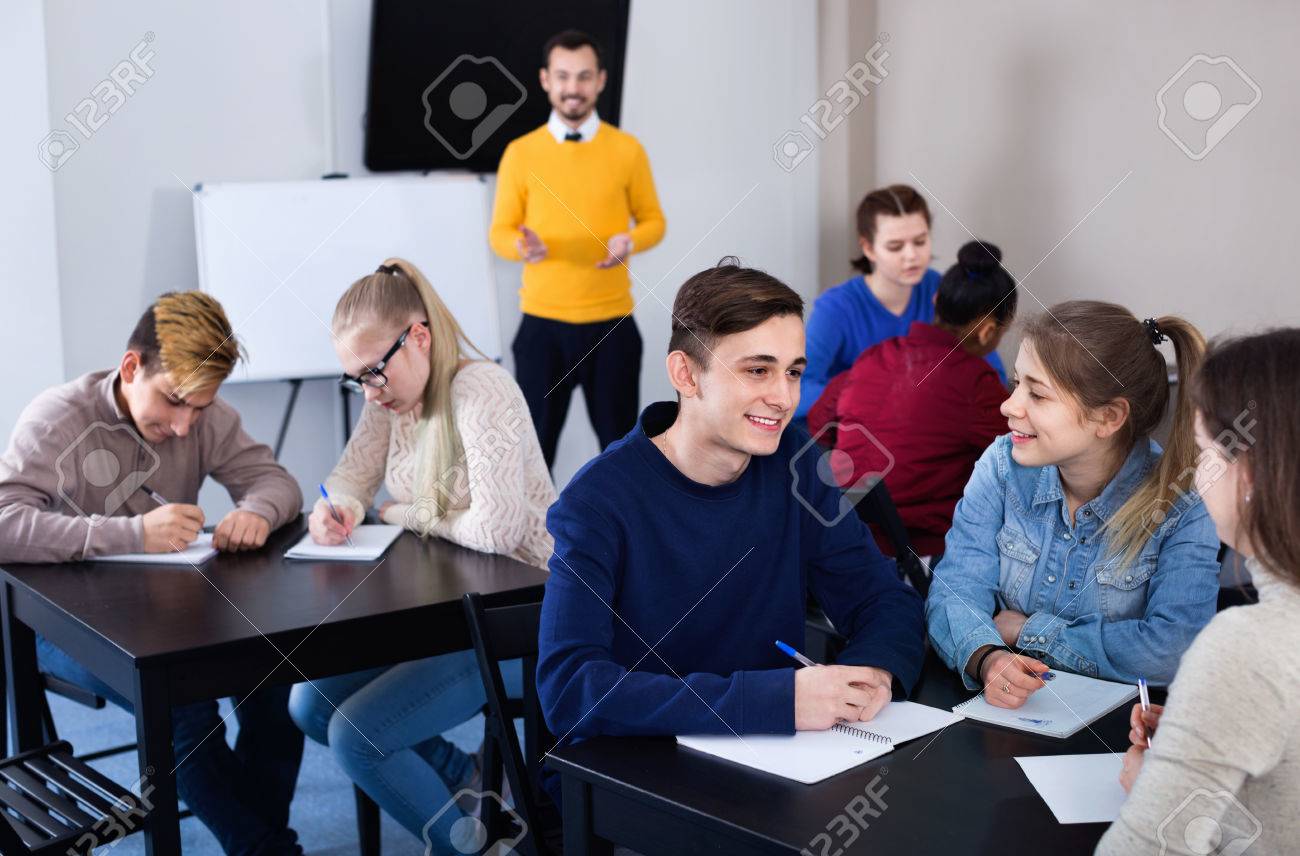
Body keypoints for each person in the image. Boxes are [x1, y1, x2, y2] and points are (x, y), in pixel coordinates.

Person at [537, 259, 926, 805]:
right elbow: (571, 690)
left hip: (773, 766)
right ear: (686, 374)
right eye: (757, 370)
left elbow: (884, 598)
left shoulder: (797, 463)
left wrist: (874, 672)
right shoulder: (597, 499)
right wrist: (776, 701)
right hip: (636, 778)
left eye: (793, 371)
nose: (784, 397)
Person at [0, 291, 305, 855]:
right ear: (131, 367)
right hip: (61, 625)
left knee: (274, 681)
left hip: (169, 617)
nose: (186, 426)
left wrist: (255, 512)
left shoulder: (202, 416)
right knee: (184, 710)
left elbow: (276, 482)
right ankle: (267, 848)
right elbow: (4, 524)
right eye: (174, 402)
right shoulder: (57, 417)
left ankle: (259, 843)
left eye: (200, 407)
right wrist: (131, 535)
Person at [288, 259, 554, 851]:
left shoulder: (480, 390)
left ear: (420, 339)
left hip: (523, 620)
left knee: (358, 736)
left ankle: (473, 847)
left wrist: (398, 512)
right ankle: (463, 778)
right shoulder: (391, 397)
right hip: (448, 608)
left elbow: (497, 528)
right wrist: (338, 508)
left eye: (373, 373)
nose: (368, 391)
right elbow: (351, 477)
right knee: (309, 702)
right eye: (355, 379)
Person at [926, 301, 1222, 707]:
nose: (1008, 406)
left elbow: (1174, 649)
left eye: (1038, 394)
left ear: (1109, 417)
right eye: (1016, 384)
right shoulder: (1001, 466)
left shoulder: (1183, 506)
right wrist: (988, 658)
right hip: (1006, 721)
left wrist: (1031, 632)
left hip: (1120, 741)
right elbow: (956, 589)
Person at [1097, 329, 1300, 855]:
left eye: (1207, 452)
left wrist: (1157, 789)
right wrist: (1203, 733)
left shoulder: (1248, 648)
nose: (1196, 475)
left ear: (1251, 473)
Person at [489, 29, 666, 468]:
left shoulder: (628, 150)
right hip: (542, 329)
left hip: (612, 326)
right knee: (533, 456)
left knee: (624, 455)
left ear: (601, 80)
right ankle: (534, 540)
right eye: (564, 76)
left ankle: (625, 537)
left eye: (584, 76)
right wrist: (519, 245)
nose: (573, 87)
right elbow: (499, 232)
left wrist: (631, 240)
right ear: (546, 80)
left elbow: (654, 221)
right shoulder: (520, 152)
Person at [808, 239, 1017, 557]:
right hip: (923, 552)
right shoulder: (977, 383)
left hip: (846, 537)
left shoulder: (874, 356)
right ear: (988, 331)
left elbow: (819, 421)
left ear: (935, 301)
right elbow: (1019, 458)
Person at [796, 184, 1004, 421]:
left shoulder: (943, 289)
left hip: (934, 425)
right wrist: (868, 398)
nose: (911, 256)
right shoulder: (836, 308)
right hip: (853, 431)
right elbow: (799, 386)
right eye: (895, 246)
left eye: (920, 241)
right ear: (868, 248)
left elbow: (991, 372)